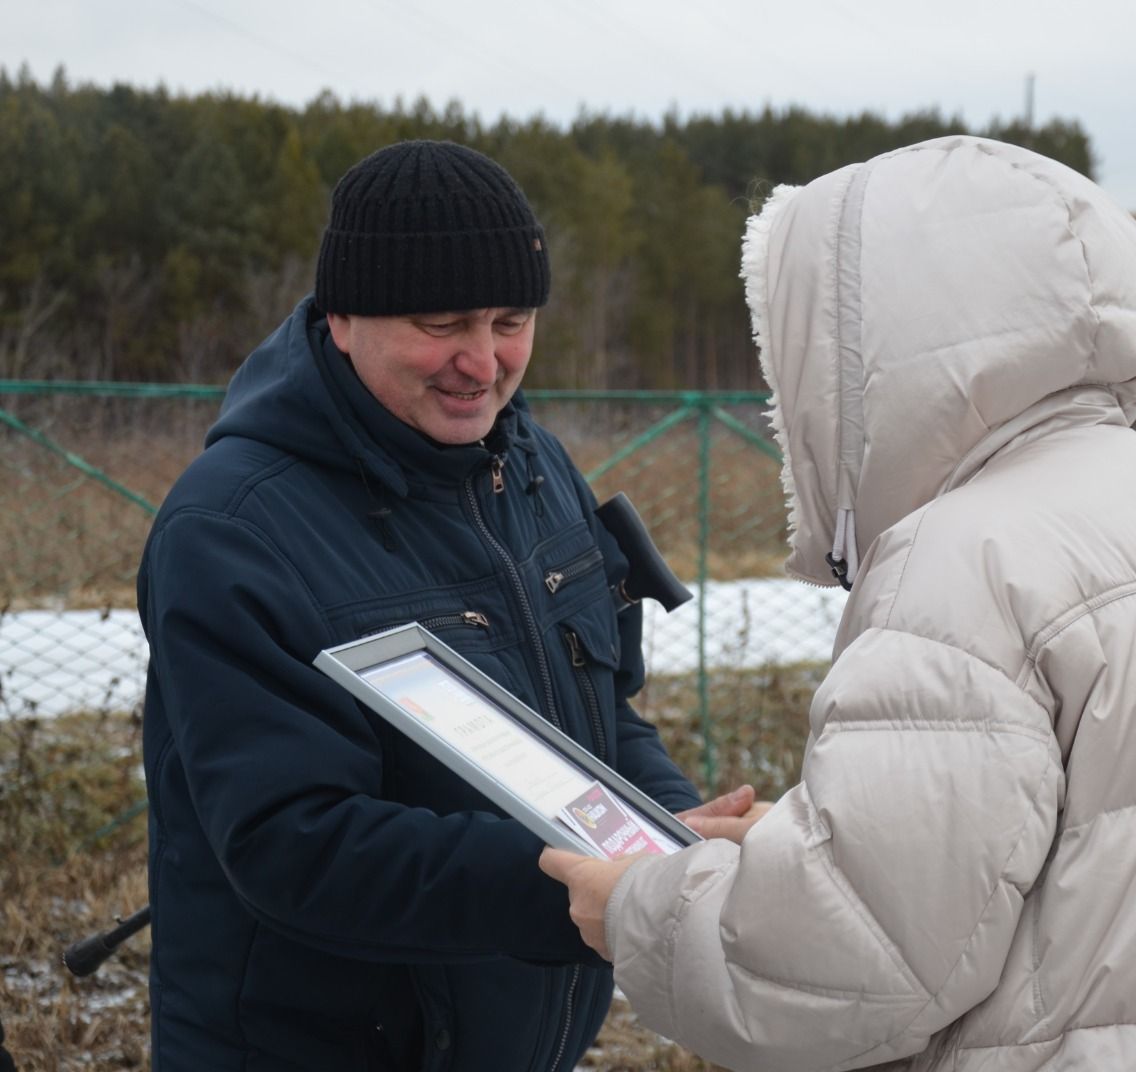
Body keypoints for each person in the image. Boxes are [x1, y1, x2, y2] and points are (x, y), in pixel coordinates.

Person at [541, 135, 1136, 1072]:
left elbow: (848, 975)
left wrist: (639, 906)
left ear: (872, 351)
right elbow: (1086, 867)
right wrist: (795, 851)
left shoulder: (961, 557)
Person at [138, 140, 748, 1071]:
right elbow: (293, 844)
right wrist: (572, 891)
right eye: (442, 322)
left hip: (516, 1036)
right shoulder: (232, 529)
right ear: (343, 316)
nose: (483, 361)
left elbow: (593, 717)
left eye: (511, 320)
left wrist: (671, 829)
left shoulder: (532, 468)